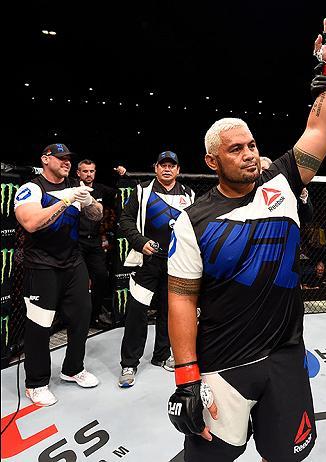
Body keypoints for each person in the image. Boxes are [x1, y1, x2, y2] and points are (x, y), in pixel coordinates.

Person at [165, 18, 326, 462]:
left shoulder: (281, 183)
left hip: (285, 356)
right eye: (236, 149)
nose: (250, 154)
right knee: (207, 457)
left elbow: (320, 130)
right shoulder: (193, 220)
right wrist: (185, 376)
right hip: (223, 363)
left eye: (252, 145)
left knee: (287, 455)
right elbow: (180, 298)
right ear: (212, 160)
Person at [14, 143, 103, 406]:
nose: (66, 162)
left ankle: (73, 368)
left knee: (82, 315)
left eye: (68, 159)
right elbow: (31, 222)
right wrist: (65, 200)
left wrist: (88, 201)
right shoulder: (33, 188)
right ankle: (36, 383)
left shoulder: (75, 184)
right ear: (45, 159)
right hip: (42, 265)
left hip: (73, 262)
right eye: (60, 158)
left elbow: (96, 216)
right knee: (40, 325)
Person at [117, 151, 195, 387]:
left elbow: (195, 225)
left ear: (178, 170)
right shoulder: (142, 191)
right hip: (148, 263)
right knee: (137, 312)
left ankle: (162, 354)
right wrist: (141, 242)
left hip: (175, 263)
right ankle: (129, 363)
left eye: (172, 165)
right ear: (156, 168)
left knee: (169, 311)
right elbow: (126, 219)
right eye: (163, 165)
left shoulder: (189, 194)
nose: (167, 169)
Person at [75, 159, 127, 328]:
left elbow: (120, 191)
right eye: (85, 171)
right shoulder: (71, 188)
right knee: (77, 281)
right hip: (76, 243)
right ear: (78, 173)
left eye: (91, 171)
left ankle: (94, 316)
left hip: (95, 241)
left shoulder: (100, 189)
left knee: (101, 277)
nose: (88, 174)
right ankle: (74, 318)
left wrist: (124, 176)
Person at [261, 155, 314, 224]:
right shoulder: (249, 192)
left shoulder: (286, 188)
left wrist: (303, 197)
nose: (260, 172)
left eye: (264, 169)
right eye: (258, 169)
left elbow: (306, 217)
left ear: (271, 171)